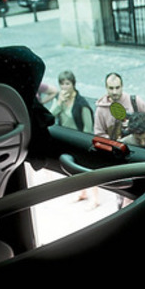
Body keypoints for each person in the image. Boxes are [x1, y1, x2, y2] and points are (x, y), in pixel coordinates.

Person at [49, 70, 97, 207]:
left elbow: (88, 127)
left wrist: (84, 144)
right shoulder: (59, 99)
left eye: (67, 84)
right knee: (73, 170)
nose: (64, 87)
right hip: (66, 140)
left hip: (79, 139)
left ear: (73, 84)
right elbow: (50, 116)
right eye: (62, 84)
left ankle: (95, 198)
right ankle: (82, 192)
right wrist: (59, 103)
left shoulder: (81, 104)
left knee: (86, 170)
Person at [94, 72, 145, 139]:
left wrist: (137, 126)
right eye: (111, 88)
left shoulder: (134, 101)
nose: (114, 92)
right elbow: (99, 134)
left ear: (122, 86)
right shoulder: (101, 109)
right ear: (106, 87)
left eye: (117, 87)